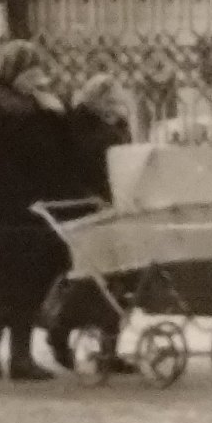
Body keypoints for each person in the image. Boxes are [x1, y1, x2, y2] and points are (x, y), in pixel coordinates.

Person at [0, 39, 68, 383]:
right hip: (5, 207)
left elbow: (54, 148)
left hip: (35, 205)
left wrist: (52, 111)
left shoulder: (34, 105)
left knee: (31, 279)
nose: (36, 77)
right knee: (10, 281)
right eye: (29, 71)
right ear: (13, 72)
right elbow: (3, 159)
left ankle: (19, 356)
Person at [44, 76, 133, 372]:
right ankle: (59, 331)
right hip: (86, 208)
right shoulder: (77, 125)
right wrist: (87, 196)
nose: (115, 104)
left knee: (120, 277)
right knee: (92, 278)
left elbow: (124, 159)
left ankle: (109, 349)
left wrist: (120, 125)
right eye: (109, 99)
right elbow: (68, 168)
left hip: (115, 206)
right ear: (95, 98)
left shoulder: (113, 124)